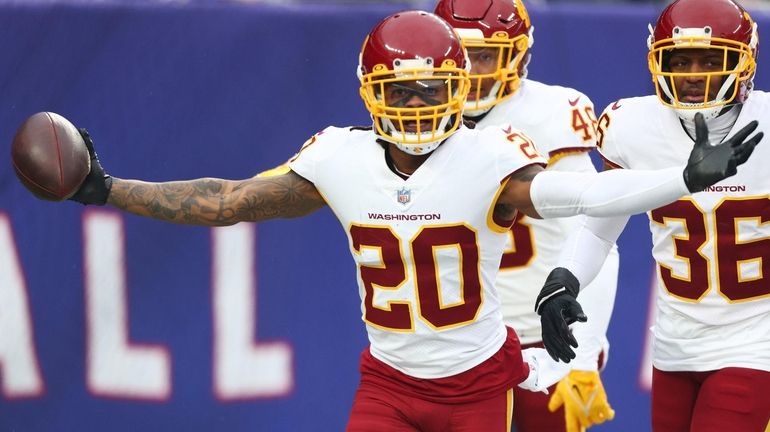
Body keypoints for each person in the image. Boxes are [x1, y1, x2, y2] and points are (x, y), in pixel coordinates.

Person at [39, 10, 760, 432]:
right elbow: (226, 201)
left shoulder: (490, 154)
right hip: (388, 378)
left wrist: (681, 180)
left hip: (485, 377)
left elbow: (583, 203)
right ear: (367, 94)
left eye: (431, 90)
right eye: (400, 91)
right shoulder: (338, 157)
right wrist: (107, 189)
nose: (417, 106)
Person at [534, 1, 770, 431]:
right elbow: (602, 226)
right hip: (675, 343)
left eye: (710, 59)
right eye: (680, 59)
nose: (693, 73)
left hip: (756, 343)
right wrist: (567, 277)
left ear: (744, 62)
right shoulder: (632, 125)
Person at [433, 1, 617, 431]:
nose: (474, 71)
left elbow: (596, 238)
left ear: (519, 54)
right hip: (457, 339)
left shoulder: (551, 113)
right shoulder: (415, 119)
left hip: (543, 333)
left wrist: (584, 358)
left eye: (485, 56)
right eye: (463, 53)